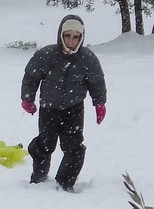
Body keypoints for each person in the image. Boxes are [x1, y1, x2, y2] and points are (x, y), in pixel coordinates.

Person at [20, 14, 107, 192]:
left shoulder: (87, 59)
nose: (71, 41)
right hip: (49, 109)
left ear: (81, 38)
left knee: (74, 148)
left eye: (76, 37)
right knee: (45, 145)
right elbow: (31, 77)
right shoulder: (47, 55)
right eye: (67, 35)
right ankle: (39, 177)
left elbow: (96, 82)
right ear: (61, 35)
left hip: (73, 109)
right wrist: (27, 99)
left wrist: (99, 103)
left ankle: (65, 183)